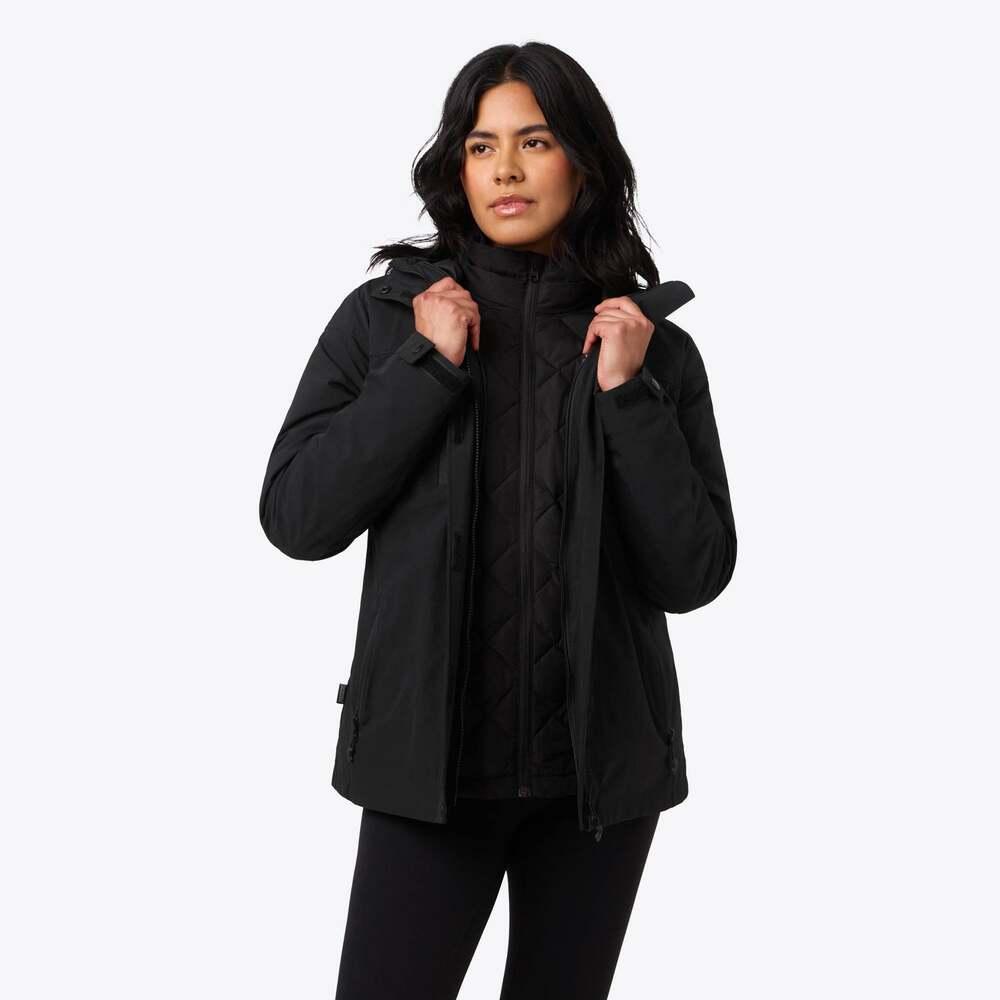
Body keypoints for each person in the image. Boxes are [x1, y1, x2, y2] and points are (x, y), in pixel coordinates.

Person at [259, 41, 737, 1000]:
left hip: (597, 788)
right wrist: (424, 370)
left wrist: (628, 396)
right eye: (483, 146)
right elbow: (298, 518)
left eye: (536, 141)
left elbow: (694, 574)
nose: (507, 169)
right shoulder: (386, 322)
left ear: (585, 163)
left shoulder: (652, 351)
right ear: (459, 166)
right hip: (429, 778)